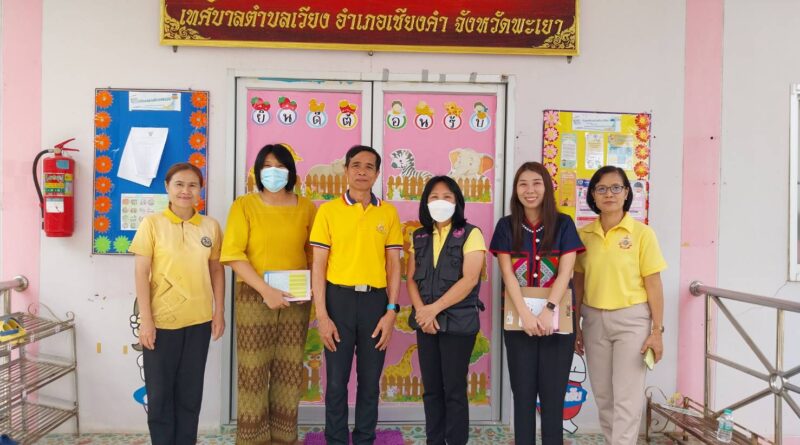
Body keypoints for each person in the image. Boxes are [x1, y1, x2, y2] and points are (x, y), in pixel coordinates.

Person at [220, 143, 316, 445]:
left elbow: (313, 255)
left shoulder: (307, 207)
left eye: (280, 166)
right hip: (254, 296)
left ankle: (285, 437)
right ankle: (253, 439)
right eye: (267, 166)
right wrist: (266, 290)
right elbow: (233, 254)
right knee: (253, 371)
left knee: (289, 369)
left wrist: (311, 289)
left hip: (296, 298)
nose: (274, 172)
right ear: (258, 171)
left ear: (291, 171)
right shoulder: (244, 205)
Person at [309, 145, 403, 445]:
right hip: (338, 301)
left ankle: (364, 438)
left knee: (370, 381)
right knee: (336, 381)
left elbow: (394, 265)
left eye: (369, 167)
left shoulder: (388, 213)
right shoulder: (328, 211)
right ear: (346, 170)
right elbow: (318, 265)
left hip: (376, 303)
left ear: (377, 173)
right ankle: (336, 439)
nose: (362, 171)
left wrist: (391, 311)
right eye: (356, 165)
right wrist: (322, 315)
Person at [489, 162, 584, 445]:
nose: (529, 190)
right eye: (523, 184)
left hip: (557, 320)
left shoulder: (564, 223)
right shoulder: (506, 226)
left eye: (536, 183)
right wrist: (525, 316)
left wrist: (548, 311)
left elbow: (566, 272)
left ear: (546, 188)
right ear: (515, 190)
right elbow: (507, 274)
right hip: (519, 321)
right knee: (523, 395)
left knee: (553, 396)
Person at [130, 162, 225, 445]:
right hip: (161, 322)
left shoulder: (210, 226)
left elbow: (216, 270)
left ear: (200, 190)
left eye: (192, 185)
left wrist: (219, 312)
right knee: (160, 394)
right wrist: (146, 321)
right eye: (179, 184)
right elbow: (141, 273)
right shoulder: (152, 224)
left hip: (199, 321)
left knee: (190, 394)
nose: (186, 191)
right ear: (167, 188)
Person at [573, 165, 666, 445]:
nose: (609, 194)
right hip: (593, 321)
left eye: (616, 188)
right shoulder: (584, 235)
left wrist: (657, 331)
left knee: (627, 398)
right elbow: (578, 284)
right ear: (592, 195)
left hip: (632, 321)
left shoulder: (642, 234)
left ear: (626, 193)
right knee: (604, 397)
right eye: (601, 189)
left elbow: (654, 284)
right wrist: (576, 325)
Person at [407, 176, 486, 445]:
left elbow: (470, 279)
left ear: (457, 202)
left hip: (458, 324)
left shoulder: (471, 234)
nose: (440, 201)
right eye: (434, 197)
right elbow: (411, 279)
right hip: (426, 323)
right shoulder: (419, 236)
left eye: (447, 197)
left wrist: (433, 310)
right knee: (431, 390)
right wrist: (422, 312)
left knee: (454, 390)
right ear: (425, 202)